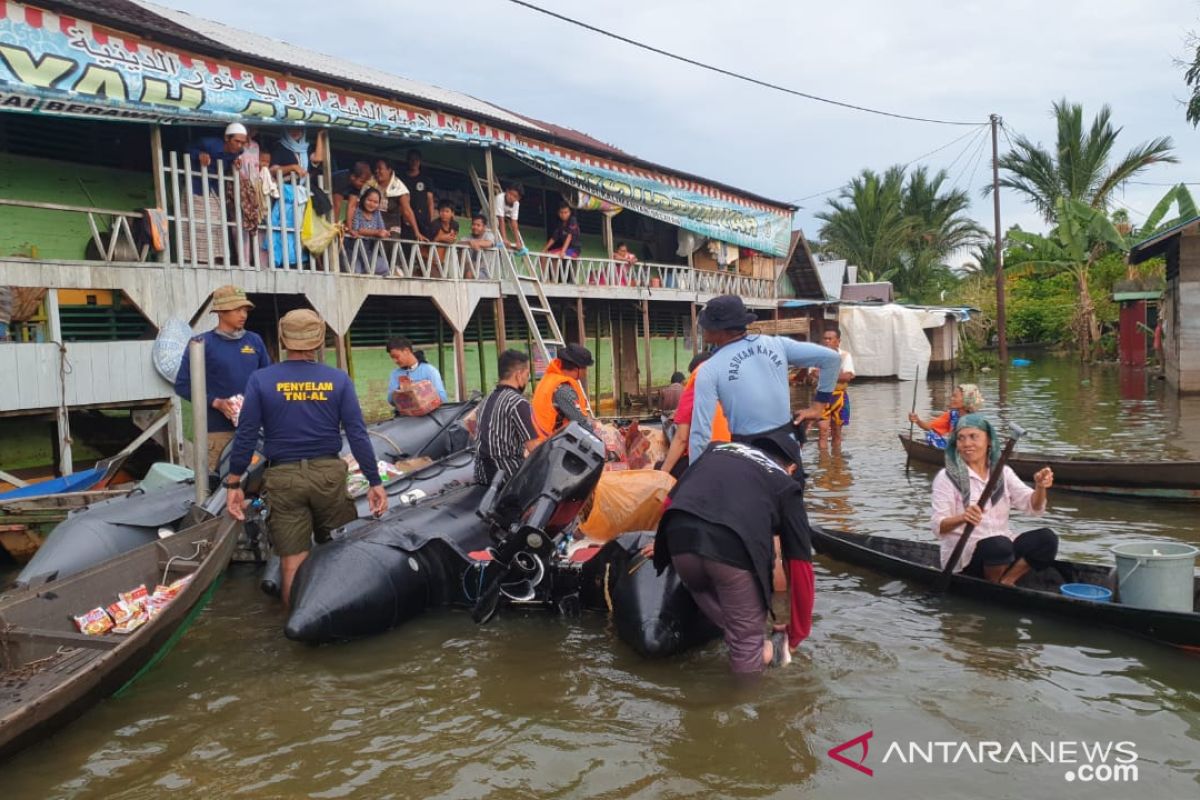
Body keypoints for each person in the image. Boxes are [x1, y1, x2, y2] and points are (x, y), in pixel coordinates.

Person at [225, 309, 386, 606]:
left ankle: (294, 628)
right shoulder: (338, 380)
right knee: (338, 553)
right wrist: (374, 482)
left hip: (283, 479)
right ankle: (335, 620)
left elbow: (246, 436)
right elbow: (357, 434)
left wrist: (234, 484)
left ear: (284, 340)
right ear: (318, 340)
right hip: (328, 474)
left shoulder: (261, 380)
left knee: (291, 563)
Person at [652, 429, 816, 676]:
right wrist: (796, 634)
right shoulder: (785, 484)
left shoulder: (718, 449)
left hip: (680, 543)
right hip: (730, 552)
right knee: (747, 647)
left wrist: (658, 543)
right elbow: (801, 566)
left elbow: (671, 501)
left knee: (711, 597)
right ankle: (747, 699)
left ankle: (756, 643)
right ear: (792, 468)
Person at [689, 295, 841, 459]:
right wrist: (818, 408)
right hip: (786, 448)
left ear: (717, 329)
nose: (702, 328)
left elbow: (700, 434)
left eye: (705, 325)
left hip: (748, 455)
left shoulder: (709, 369)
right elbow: (832, 359)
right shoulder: (777, 344)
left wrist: (697, 476)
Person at [931, 414, 1056, 585]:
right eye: (961, 438)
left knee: (1047, 539)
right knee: (998, 546)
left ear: (988, 441)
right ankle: (993, 586)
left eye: (973, 437)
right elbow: (939, 527)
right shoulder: (946, 478)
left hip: (1002, 550)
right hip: (966, 558)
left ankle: (1005, 582)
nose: (967, 444)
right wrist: (963, 517)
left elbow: (1033, 507)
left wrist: (1040, 487)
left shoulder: (1002, 473)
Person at [174, 285, 271, 474]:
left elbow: (267, 381)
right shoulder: (201, 344)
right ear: (220, 312)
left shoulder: (254, 341)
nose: (243, 314)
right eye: (237, 310)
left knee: (257, 483)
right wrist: (216, 402)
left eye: (245, 309)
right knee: (220, 487)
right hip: (218, 433)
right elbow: (183, 385)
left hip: (254, 430)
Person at [184, 122, 248, 264]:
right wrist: (200, 155)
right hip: (197, 186)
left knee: (216, 224)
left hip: (216, 188)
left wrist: (235, 162)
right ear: (227, 138)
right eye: (236, 141)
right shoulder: (209, 143)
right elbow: (187, 148)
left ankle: (215, 259)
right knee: (198, 224)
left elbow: (234, 158)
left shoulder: (238, 152)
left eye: (242, 143)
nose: (239, 146)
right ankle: (198, 259)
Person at [659, 353, 730, 478]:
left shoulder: (695, 383)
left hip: (706, 461)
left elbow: (682, 438)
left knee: (661, 467)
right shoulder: (732, 381)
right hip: (736, 455)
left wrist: (662, 474)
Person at [474, 349, 538, 486]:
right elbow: (535, 448)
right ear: (519, 375)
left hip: (481, 473)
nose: (527, 379)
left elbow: (468, 422)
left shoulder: (486, 399)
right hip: (506, 474)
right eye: (527, 375)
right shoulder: (518, 403)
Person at [530, 343, 593, 441]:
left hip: (538, 438)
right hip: (549, 445)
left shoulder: (549, 379)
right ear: (578, 369)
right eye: (585, 369)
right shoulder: (563, 389)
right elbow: (581, 423)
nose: (586, 373)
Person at [811, 328, 856, 451]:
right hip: (821, 397)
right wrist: (837, 374)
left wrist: (825, 373)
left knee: (837, 433)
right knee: (823, 432)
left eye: (830, 339)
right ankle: (825, 464)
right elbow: (813, 373)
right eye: (825, 338)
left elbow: (848, 376)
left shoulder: (845, 356)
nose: (826, 341)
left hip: (839, 397)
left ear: (838, 341)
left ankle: (837, 465)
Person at [909, 383, 984, 448]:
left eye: (955, 396)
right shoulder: (952, 414)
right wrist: (917, 420)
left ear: (965, 399)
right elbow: (930, 427)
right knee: (931, 435)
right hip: (954, 448)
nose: (951, 399)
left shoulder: (975, 420)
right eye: (952, 396)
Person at [370, 158, 427, 242]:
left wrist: (417, 232)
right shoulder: (370, 183)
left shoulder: (399, 187)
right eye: (376, 168)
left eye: (380, 168)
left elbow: (407, 211)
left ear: (389, 170)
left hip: (391, 228)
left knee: (391, 245)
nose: (377, 171)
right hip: (371, 226)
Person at [385, 337, 448, 413]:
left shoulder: (429, 370)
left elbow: (442, 398)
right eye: (392, 358)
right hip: (405, 418)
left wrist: (420, 391)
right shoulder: (395, 374)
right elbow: (390, 400)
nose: (395, 361)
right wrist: (400, 390)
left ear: (406, 351)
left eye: (397, 357)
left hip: (429, 416)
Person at [347, 187, 391, 276]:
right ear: (363, 199)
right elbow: (357, 229)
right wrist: (376, 232)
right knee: (356, 272)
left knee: (385, 267)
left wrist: (385, 233)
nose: (372, 204)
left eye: (375, 202)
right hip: (353, 250)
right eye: (369, 200)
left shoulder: (377, 213)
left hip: (368, 252)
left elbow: (381, 228)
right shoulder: (357, 211)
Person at [403, 149, 438, 234]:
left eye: (416, 160)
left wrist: (431, 219)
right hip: (406, 217)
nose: (414, 162)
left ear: (420, 161)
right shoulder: (402, 179)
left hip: (423, 218)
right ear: (408, 161)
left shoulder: (426, 179)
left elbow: (430, 201)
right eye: (411, 159)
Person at [332, 162, 373, 227]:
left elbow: (352, 206)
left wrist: (350, 227)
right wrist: (336, 225)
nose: (363, 184)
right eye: (362, 181)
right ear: (353, 176)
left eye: (365, 182)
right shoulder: (341, 179)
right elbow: (337, 204)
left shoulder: (357, 185)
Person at [494, 183, 524, 249]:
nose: (511, 197)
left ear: (518, 198)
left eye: (515, 196)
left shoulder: (516, 203)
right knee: (496, 222)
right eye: (510, 194)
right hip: (488, 219)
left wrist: (518, 241)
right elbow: (501, 220)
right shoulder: (500, 198)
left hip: (499, 221)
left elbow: (514, 222)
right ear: (507, 191)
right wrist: (504, 238)